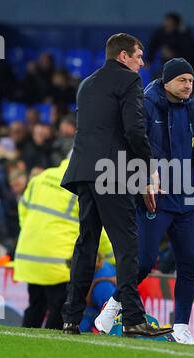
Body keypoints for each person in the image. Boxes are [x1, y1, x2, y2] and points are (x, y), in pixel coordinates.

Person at [60, 33, 172, 337]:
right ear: (123, 57)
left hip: (82, 170)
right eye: (138, 56)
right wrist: (148, 172)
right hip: (112, 173)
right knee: (126, 246)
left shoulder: (87, 84)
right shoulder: (129, 82)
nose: (142, 63)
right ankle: (134, 318)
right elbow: (135, 130)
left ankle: (70, 318)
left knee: (86, 244)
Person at [95, 58, 194, 345]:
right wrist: (142, 181)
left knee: (190, 263)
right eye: (183, 80)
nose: (188, 86)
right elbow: (132, 146)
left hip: (186, 198)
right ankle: (114, 305)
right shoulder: (146, 105)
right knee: (143, 262)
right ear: (167, 81)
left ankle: (181, 326)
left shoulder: (193, 110)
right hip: (154, 195)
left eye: (191, 81)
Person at [13, 159, 78, 329]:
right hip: (58, 262)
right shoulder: (80, 185)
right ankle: (51, 348)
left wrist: (33, 235)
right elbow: (96, 229)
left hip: (31, 255)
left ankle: (24, 345)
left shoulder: (40, 178)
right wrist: (112, 257)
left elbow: (23, 210)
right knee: (58, 309)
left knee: (35, 305)